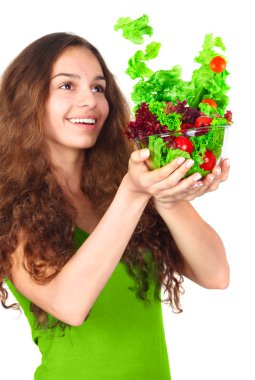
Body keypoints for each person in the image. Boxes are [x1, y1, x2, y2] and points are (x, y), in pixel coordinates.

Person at [0, 32, 230, 380]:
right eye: (67, 86)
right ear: (26, 100)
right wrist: (134, 193)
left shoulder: (120, 186)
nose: (90, 101)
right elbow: (69, 304)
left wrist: (165, 197)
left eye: (98, 88)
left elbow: (216, 274)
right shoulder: (10, 206)